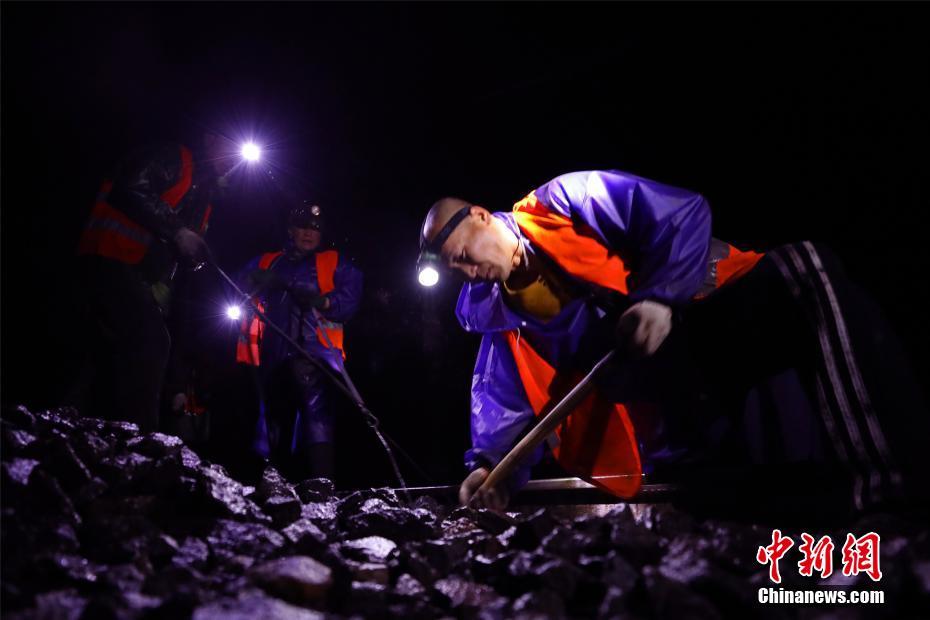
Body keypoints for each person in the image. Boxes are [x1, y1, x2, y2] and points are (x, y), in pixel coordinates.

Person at [419, 169, 928, 515]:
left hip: (700, 320)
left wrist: (659, 298)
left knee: (804, 266)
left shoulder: (565, 201)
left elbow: (679, 214)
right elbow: (500, 400)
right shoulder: (500, 318)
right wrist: (489, 468)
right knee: (750, 494)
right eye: (456, 269)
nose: (467, 272)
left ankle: (892, 495)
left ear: (481, 215)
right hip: (664, 398)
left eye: (462, 255)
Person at [70, 131, 236, 432]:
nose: (233, 159)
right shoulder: (175, 158)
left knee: (101, 350)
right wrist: (178, 231)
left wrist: (193, 254)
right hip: (109, 255)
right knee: (150, 340)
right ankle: (140, 436)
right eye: (230, 147)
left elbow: (180, 245)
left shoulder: (205, 196)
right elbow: (129, 188)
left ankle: (72, 425)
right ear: (211, 140)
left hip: (140, 277)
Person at [236, 203, 363, 481]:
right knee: (272, 422)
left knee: (317, 422)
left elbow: (351, 296)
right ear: (290, 230)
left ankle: (321, 486)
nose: (309, 232)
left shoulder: (333, 262)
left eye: (315, 228)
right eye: (303, 226)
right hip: (274, 354)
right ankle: (270, 483)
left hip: (316, 358)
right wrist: (253, 280)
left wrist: (324, 301)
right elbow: (237, 285)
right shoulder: (270, 261)